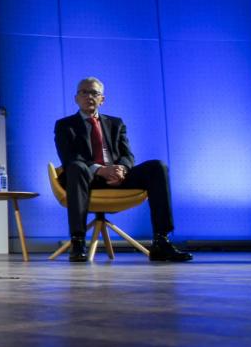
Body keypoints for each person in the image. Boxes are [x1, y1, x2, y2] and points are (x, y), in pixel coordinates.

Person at [54, 77, 192, 262]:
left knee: (157, 167)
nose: (89, 96)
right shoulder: (65, 125)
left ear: (102, 99)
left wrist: (122, 169)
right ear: (76, 98)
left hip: (117, 177)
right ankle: (78, 242)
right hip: (87, 178)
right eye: (84, 92)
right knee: (76, 167)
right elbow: (69, 157)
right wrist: (100, 170)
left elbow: (128, 155)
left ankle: (161, 241)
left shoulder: (115, 123)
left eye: (94, 93)